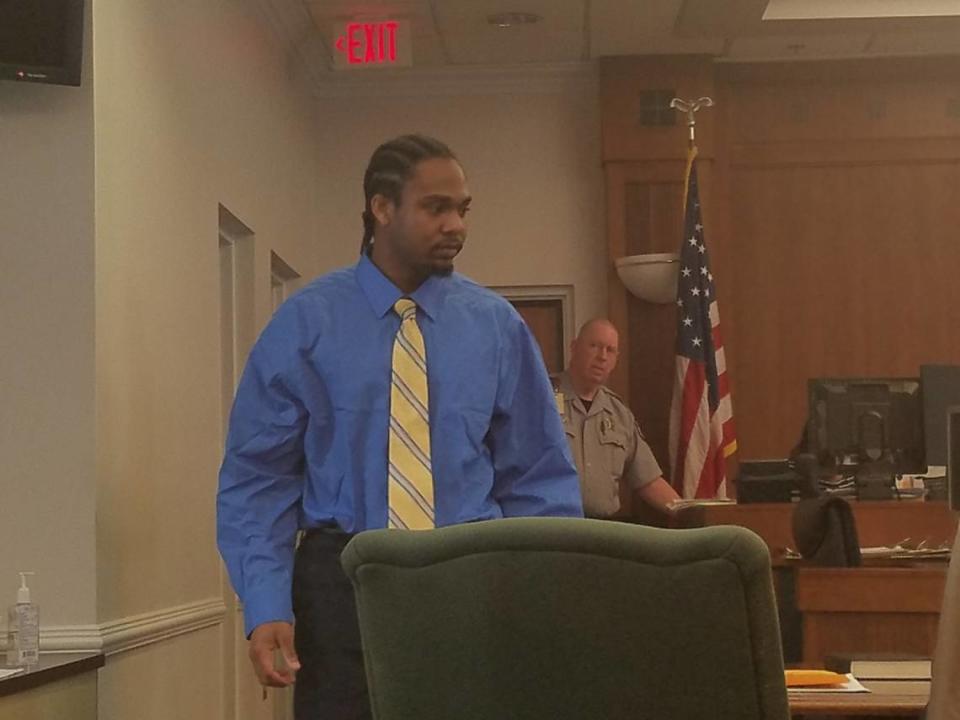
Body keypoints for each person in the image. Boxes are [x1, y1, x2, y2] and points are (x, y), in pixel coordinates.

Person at [216, 134, 582, 720]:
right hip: (341, 586)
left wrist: (543, 596)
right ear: (382, 209)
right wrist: (266, 606)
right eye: (436, 207)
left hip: (471, 576)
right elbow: (259, 480)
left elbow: (538, 478)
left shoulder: (496, 328)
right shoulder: (306, 324)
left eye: (462, 209)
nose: (455, 225)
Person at [554, 318, 681, 519]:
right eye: (594, 346)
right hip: (551, 529)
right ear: (574, 347)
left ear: (615, 359)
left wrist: (688, 513)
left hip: (601, 533)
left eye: (610, 350)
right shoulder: (541, 399)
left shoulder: (619, 414)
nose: (602, 357)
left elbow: (648, 479)